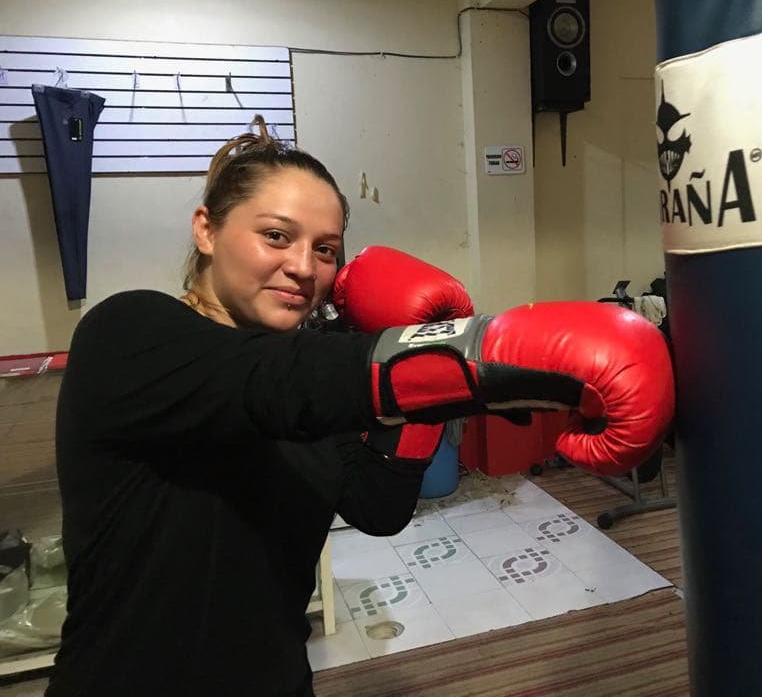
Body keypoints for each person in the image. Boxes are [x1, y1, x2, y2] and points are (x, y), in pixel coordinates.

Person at [47, 118, 675, 696]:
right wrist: (476, 349)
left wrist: (420, 389)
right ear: (206, 229)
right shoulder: (128, 334)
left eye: (326, 250)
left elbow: (377, 505)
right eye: (275, 236)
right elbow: (271, 382)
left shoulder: (307, 384)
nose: (303, 268)